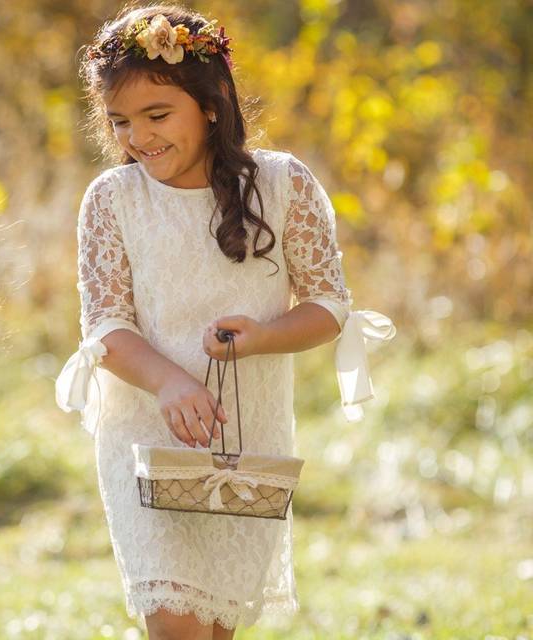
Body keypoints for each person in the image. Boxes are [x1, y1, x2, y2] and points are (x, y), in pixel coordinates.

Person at [56, 5, 394, 639]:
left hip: (249, 432)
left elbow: (329, 305)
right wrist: (169, 383)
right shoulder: (112, 200)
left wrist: (265, 337)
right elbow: (103, 324)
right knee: (176, 625)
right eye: (121, 122)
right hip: (145, 436)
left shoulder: (283, 185)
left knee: (215, 629)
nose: (139, 138)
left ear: (211, 105)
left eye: (158, 116)